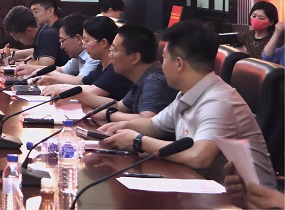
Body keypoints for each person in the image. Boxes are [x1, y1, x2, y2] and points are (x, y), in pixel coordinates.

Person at [99, 22, 277, 189]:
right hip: (205, 189)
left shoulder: (219, 101)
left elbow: (198, 157)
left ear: (178, 63)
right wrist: (121, 126)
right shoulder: (187, 93)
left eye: (164, 59)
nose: (161, 66)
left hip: (250, 201)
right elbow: (154, 125)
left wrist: (139, 141)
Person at [89, 24, 177, 122]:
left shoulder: (154, 80)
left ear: (135, 58)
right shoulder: (144, 77)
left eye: (114, 50)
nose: (110, 55)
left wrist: (109, 114)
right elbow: (119, 106)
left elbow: (147, 120)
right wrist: (80, 95)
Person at [41, 16, 133, 106]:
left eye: (86, 41)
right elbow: (84, 83)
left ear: (103, 43)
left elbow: (93, 91)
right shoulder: (101, 65)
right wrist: (52, 80)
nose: (83, 45)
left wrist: (63, 88)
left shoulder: (116, 68)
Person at [0, 4, 68, 74]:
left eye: (17, 37)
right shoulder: (41, 34)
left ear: (28, 31)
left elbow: (45, 65)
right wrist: (17, 61)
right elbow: (35, 58)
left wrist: (23, 63)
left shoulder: (47, 35)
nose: (16, 40)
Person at [32, 14, 98, 85]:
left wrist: (50, 77)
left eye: (62, 41)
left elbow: (80, 81)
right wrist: (33, 69)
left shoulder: (93, 55)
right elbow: (62, 70)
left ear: (78, 39)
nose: (61, 46)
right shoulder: (78, 55)